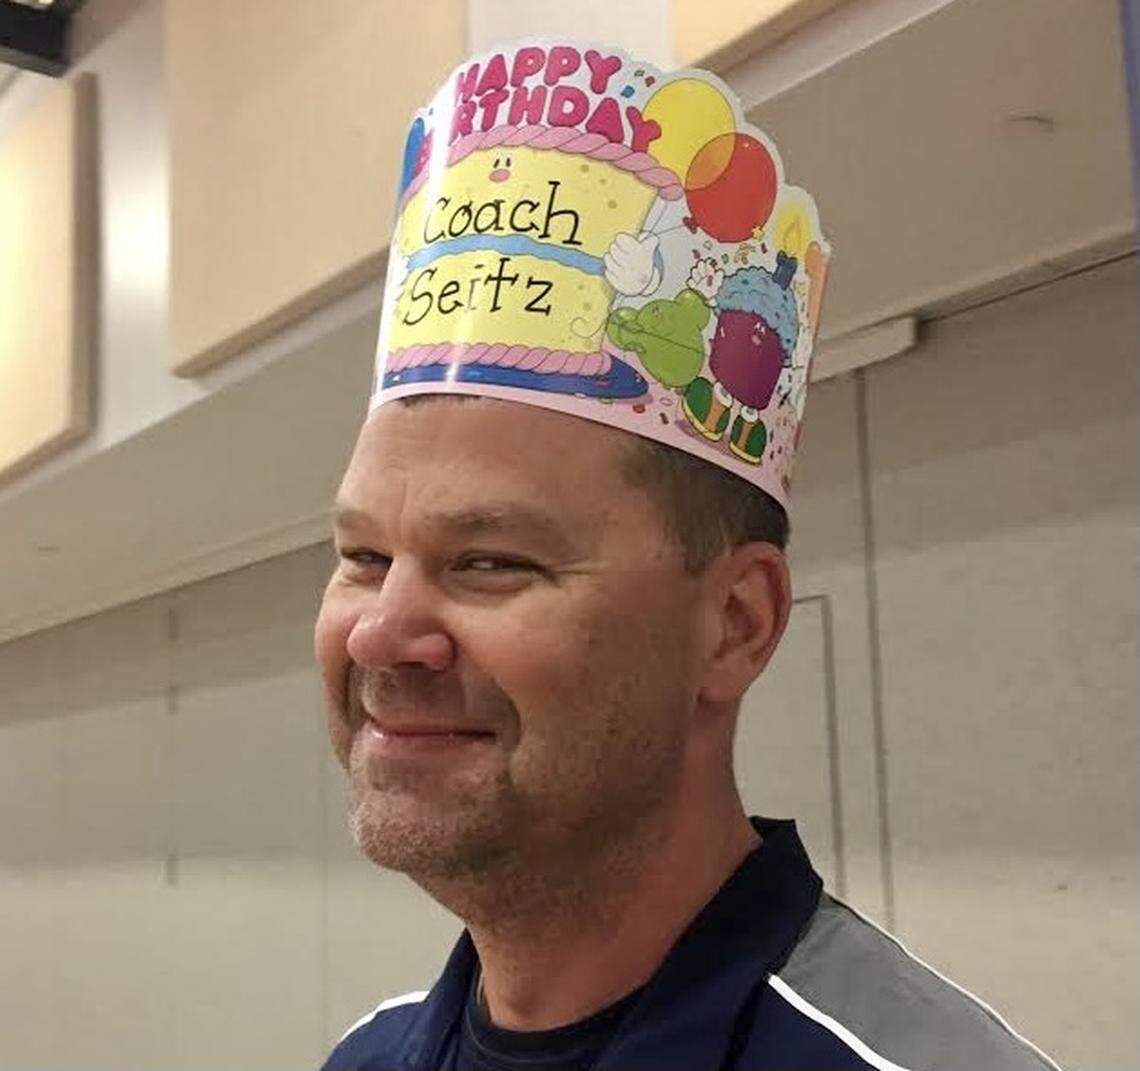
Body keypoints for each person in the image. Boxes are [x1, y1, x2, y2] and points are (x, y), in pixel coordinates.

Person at [314, 40, 1062, 1071]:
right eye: (361, 555)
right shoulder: (366, 1059)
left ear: (735, 625)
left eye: (489, 561)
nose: (382, 630)